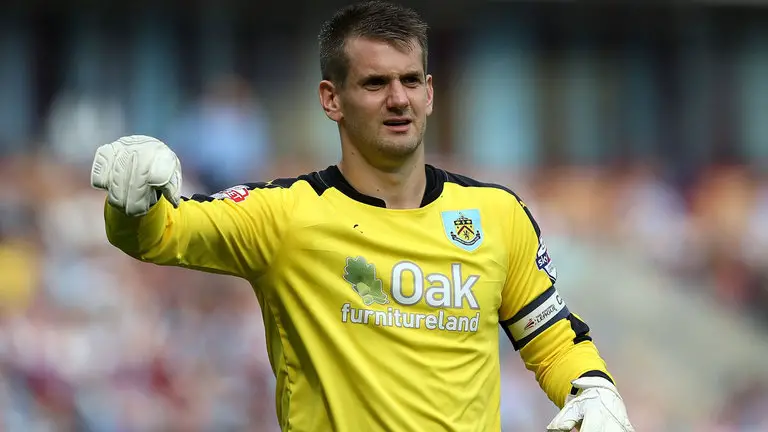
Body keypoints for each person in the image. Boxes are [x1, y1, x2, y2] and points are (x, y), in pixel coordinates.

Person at [90, 1, 634, 431]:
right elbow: (158, 234)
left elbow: (552, 340)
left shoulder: (497, 215)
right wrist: (131, 196)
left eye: (411, 80)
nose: (398, 99)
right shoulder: (284, 216)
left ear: (430, 93)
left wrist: (593, 388)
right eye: (375, 84)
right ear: (332, 99)